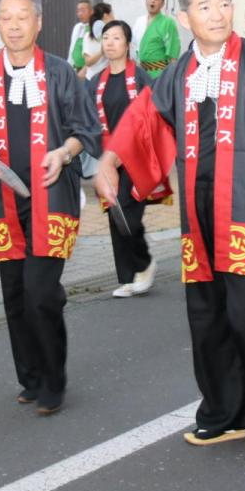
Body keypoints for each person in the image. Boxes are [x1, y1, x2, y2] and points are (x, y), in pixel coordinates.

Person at [96, 0, 245, 453]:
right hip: (199, 217)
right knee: (208, 319)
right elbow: (143, 117)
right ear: (184, 17)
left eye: (224, 4)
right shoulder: (179, 72)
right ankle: (225, 411)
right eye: (205, 6)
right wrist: (110, 160)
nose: (217, 15)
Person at [0, 0, 101, 415]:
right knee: (15, 293)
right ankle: (30, 377)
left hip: (51, 197)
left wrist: (65, 151)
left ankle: (53, 380)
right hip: (0, 200)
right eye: (6, 17)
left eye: (23, 16)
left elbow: (86, 130)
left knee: (39, 292)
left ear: (39, 22)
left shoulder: (59, 73)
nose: (14, 25)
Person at [87, 19, 164, 298]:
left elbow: (153, 116)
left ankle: (144, 263)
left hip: (137, 157)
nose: (110, 42)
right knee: (115, 215)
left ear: (128, 45)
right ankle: (128, 277)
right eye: (106, 37)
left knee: (128, 214)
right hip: (109, 159)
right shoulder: (96, 82)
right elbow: (89, 122)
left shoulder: (141, 78)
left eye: (116, 37)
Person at [131, 0, 182, 78]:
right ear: (146, 1)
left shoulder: (167, 22)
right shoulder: (139, 21)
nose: (153, 1)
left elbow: (173, 50)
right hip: (141, 72)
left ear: (162, 4)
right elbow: (134, 46)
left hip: (160, 73)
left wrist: (172, 77)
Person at [80, 2, 114, 81]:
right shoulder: (88, 36)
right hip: (93, 80)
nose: (114, 17)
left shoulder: (112, 34)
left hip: (108, 79)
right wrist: (102, 51)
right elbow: (88, 62)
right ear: (106, 16)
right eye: (112, 14)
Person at [68, 0, 95, 74]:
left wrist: (85, 69)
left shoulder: (96, 28)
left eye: (83, 10)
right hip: (75, 70)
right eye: (78, 11)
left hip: (90, 71)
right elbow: (72, 49)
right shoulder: (77, 27)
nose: (79, 14)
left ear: (92, 11)